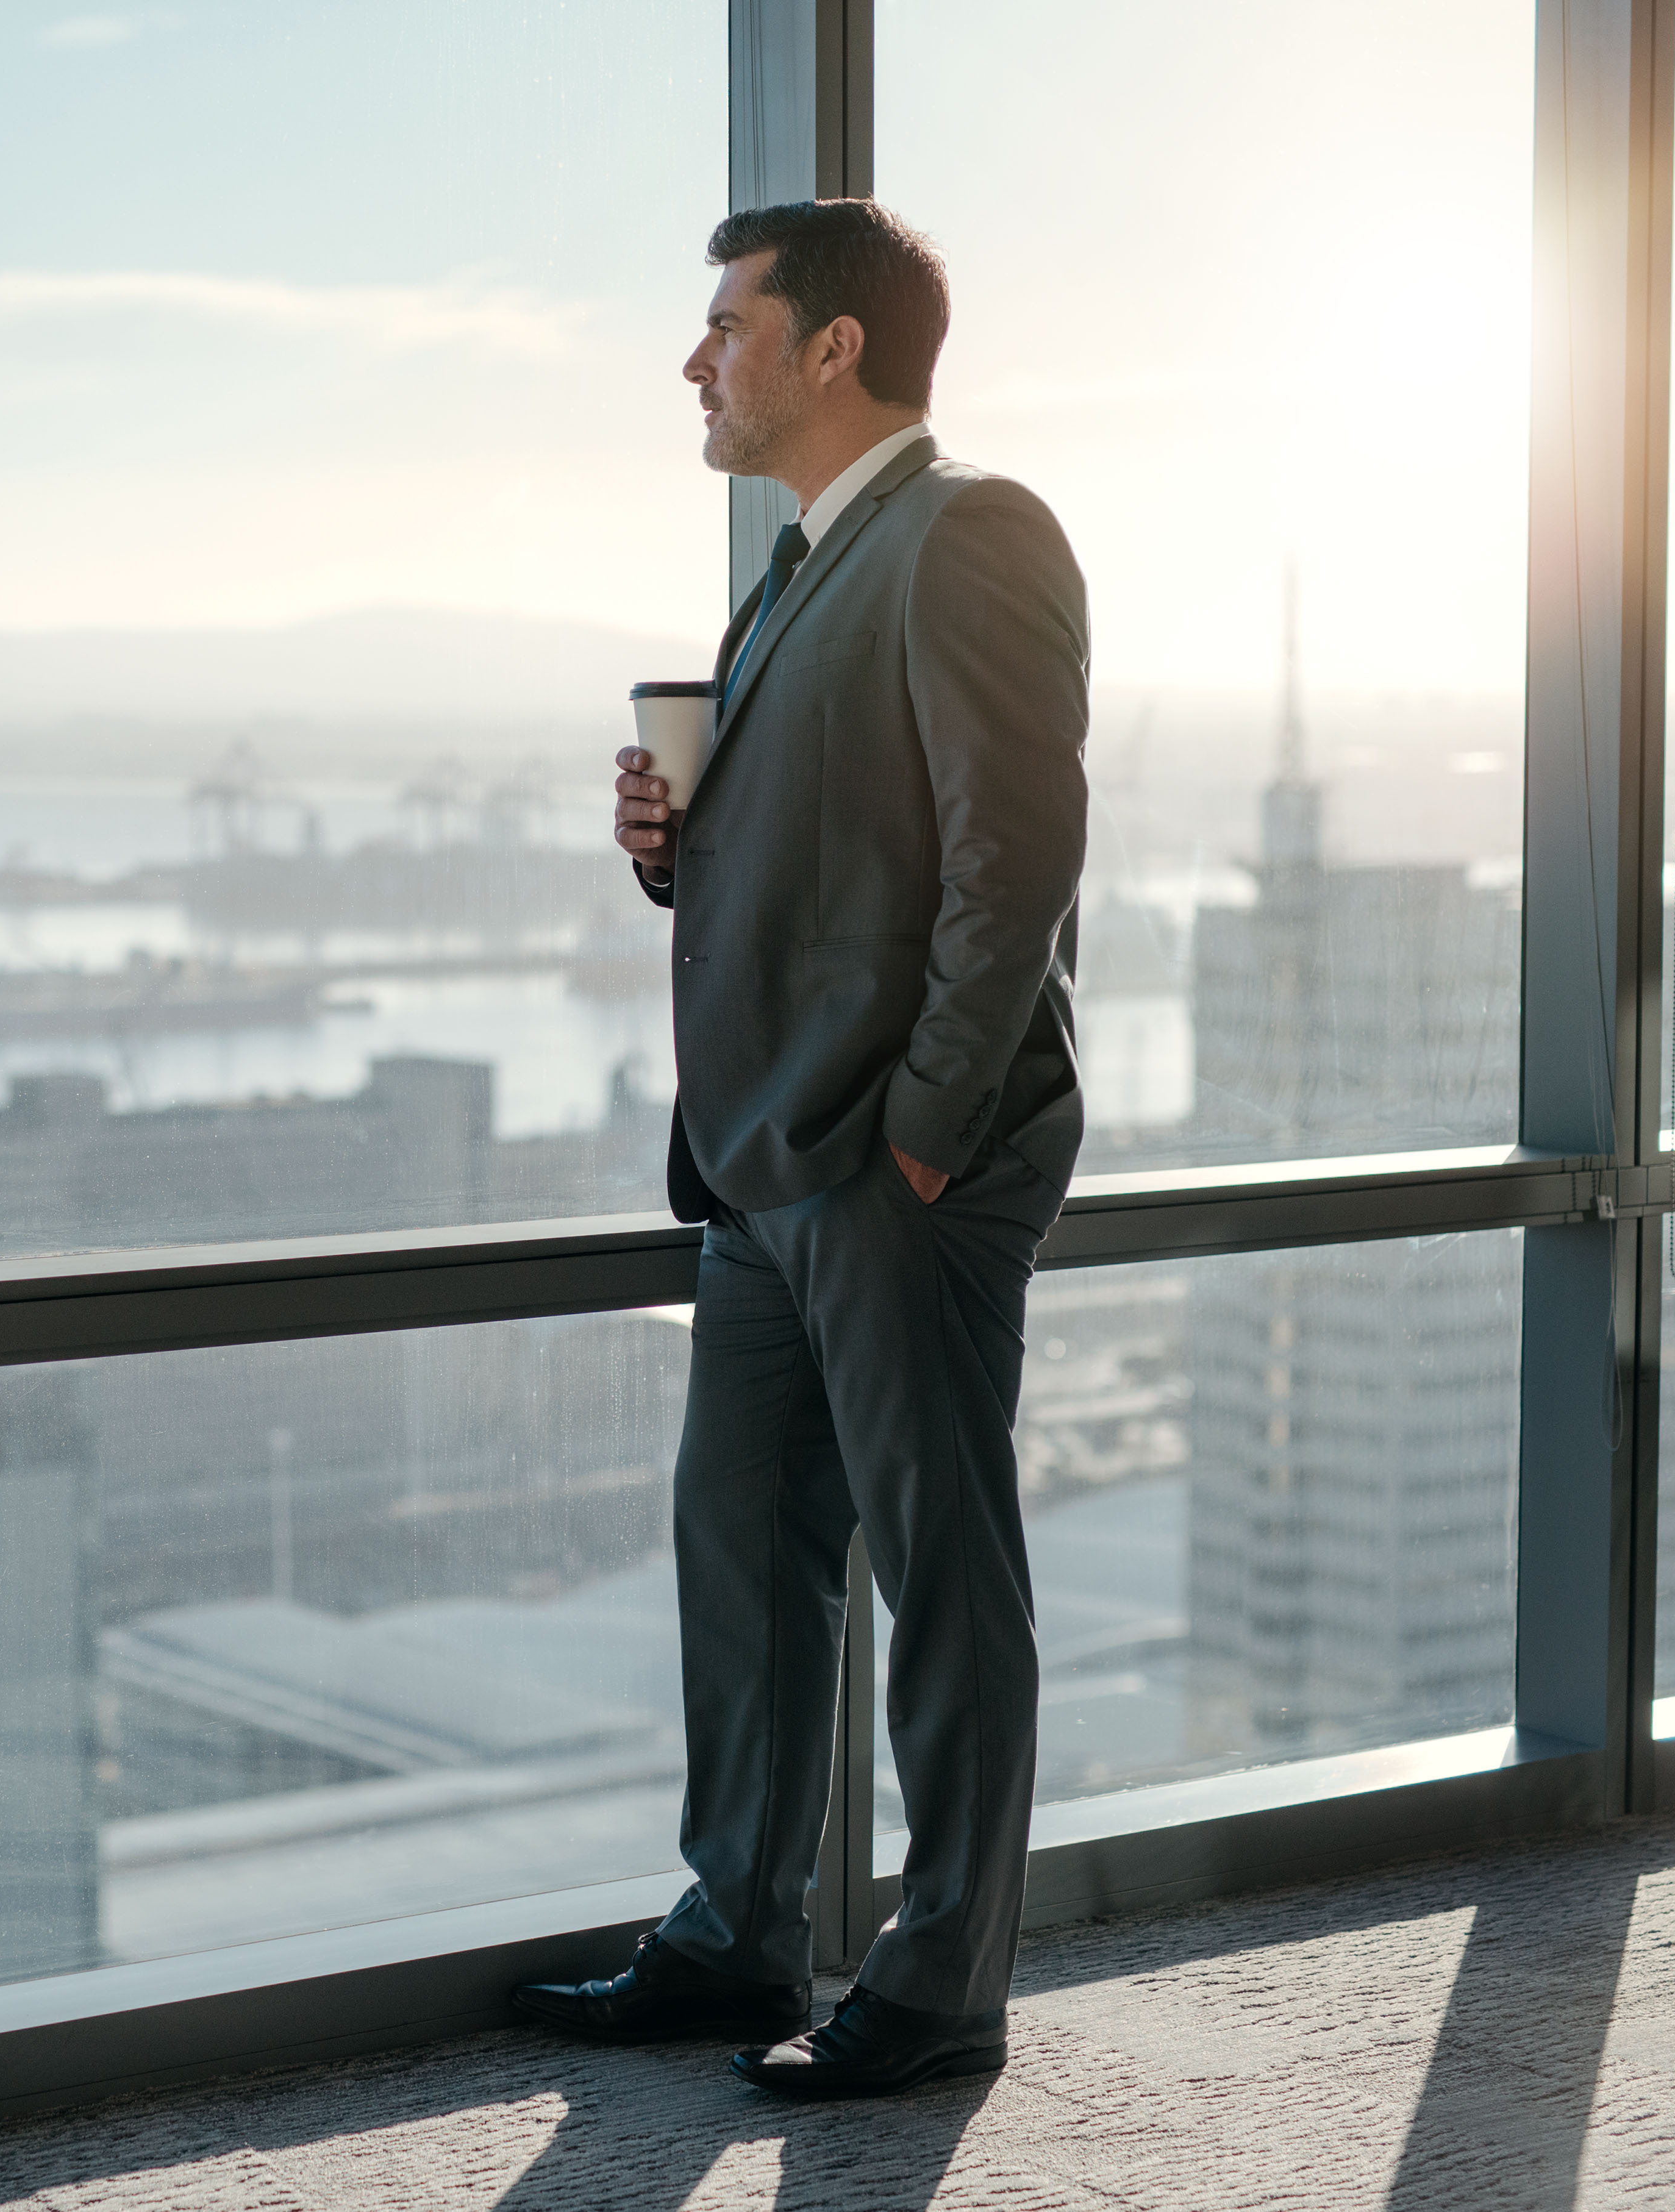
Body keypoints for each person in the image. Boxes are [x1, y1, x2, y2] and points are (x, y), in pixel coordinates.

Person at [510, 199, 1090, 2099]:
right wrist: (675, 841)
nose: (696, 361)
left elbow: (1012, 868)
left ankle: (941, 1982)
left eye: (723, 325)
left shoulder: (968, 534)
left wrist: (923, 1140)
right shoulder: (788, 569)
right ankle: (736, 1927)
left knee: (941, 1565)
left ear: (832, 348)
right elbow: (848, 851)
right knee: (743, 1551)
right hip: (765, 1158)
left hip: (885, 1161)